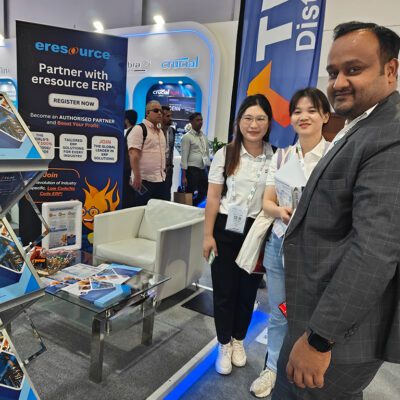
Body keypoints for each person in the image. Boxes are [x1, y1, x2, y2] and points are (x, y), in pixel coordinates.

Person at [272, 22, 400, 400]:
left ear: (390, 69)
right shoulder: (364, 125)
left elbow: (374, 252)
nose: (339, 82)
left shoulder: (389, 136)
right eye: (333, 72)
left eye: (354, 69)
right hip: (320, 314)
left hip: (337, 333)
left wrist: (320, 339)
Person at [250, 88, 331, 398]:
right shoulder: (282, 156)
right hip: (280, 245)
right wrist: (281, 212)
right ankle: (272, 368)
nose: (303, 116)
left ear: (325, 116)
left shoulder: (334, 155)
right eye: (297, 111)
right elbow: (267, 202)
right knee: (280, 312)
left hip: (317, 251)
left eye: (311, 110)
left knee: (312, 314)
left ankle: (306, 368)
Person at [204, 94, 274, 375]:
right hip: (225, 228)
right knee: (224, 290)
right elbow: (213, 197)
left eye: (260, 119)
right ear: (239, 122)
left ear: (269, 122)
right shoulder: (226, 153)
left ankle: (238, 340)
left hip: (256, 232)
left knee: (247, 292)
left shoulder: (276, 156)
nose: (253, 125)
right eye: (248, 118)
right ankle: (223, 343)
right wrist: (207, 235)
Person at [127, 100, 169, 206]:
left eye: (161, 111)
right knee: (141, 210)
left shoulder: (160, 132)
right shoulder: (139, 129)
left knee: (157, 211)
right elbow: (133, 154)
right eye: (156, 110)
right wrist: (137, 177)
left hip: (160, 180)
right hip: (144, 181)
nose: (159, 113)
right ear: (147, 113)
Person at [181, 112, 210, 206]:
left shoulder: (203, 136)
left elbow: (206, 153)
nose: (200, 122)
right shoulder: (187, 137)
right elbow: (184, 156)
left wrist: (208, 168)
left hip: (202, 169)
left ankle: (195, 206)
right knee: (190, 193)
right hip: (191, 170)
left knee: (204, 192)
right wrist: (183, 176)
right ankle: (190, 208)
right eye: (197, 120)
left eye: (201, 120)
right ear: (191, 122)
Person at [122, 109, 137, 208]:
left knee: (129, 197)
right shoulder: (131, 132)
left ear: (126, 120)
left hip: (129, 171)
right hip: (129, 171)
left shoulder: (132, 133)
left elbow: (132, 154)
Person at [161, 106, 176, 199]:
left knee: (167, 195)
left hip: (169, 168)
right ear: (161, 116)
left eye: (171, 116)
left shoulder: (172, 131)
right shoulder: (155, 131)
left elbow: (171, 149)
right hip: (158, 169)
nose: (171, 118)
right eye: (168, 116)